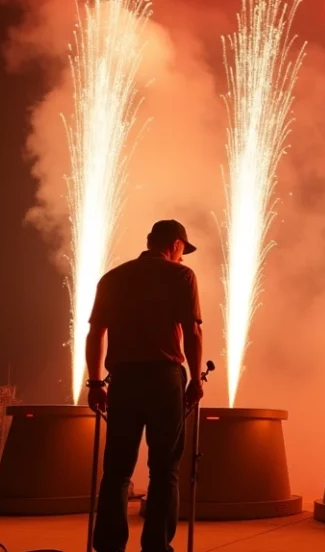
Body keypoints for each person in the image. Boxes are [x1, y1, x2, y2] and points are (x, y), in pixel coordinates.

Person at [86, 220, 205, 552]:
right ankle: (156, 547)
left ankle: (109, 546)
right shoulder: (181, 276)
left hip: (123, 379)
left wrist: (95, 383)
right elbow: (192, 332)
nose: (183, 256)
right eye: (183, 249)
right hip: (164, 378)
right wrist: (195, 379)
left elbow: (95, 333)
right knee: (165, 468)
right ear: (176, 244)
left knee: (117, 469)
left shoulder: (114, 277)